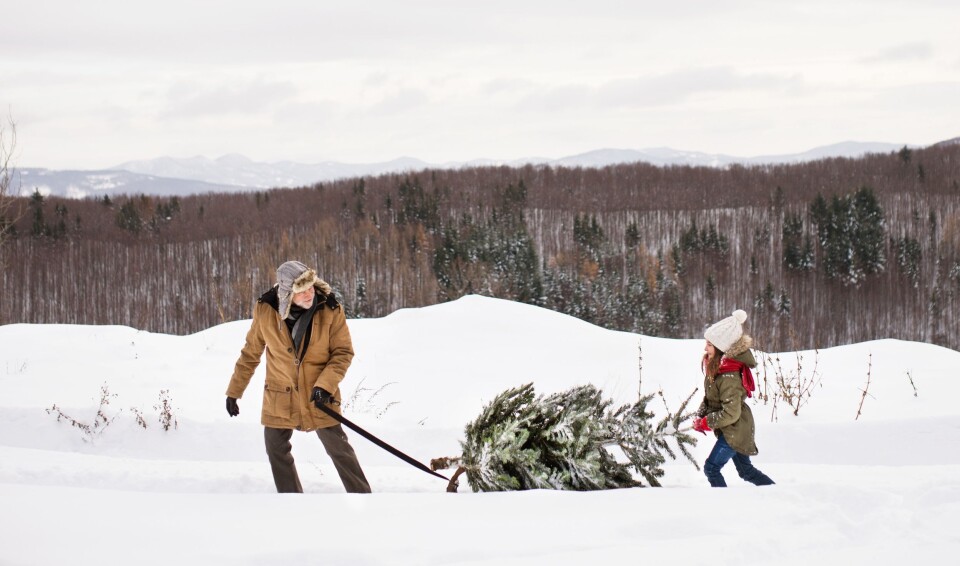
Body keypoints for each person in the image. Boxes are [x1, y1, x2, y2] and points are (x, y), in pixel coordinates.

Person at [225, 260, 371, 494]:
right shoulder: (265, 310)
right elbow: (250, 353)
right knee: (275, 447)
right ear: (286, 292)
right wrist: (234, 391)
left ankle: (364, 496)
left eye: (311, 287)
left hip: (320, 395)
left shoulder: (330, 309)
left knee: (339, 449)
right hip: (280, 396)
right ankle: (291, 500)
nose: (309, 294)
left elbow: (343, 353)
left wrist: (325, 385)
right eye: (302, 290)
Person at [692, 309, 775, 487]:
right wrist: (699, 416)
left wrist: (707, 421)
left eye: (709, 344)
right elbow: (710, 399)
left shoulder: (729, 376)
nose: (705, 348)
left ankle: (722, 506)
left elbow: (731, 413)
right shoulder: (718, 368)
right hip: (733, 428)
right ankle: (774, 493)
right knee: (746, 471)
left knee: (711, 468)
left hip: (735, 429)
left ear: (721, 348)